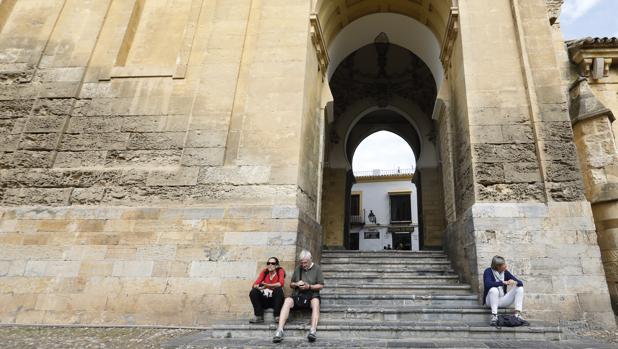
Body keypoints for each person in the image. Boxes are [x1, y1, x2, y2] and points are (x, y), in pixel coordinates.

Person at [273, 250, 324, 343]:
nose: (303, 265)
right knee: (287, 300)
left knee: (316, 302)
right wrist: (296, 284)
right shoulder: (298, 268)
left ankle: (312, 330)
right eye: (302, 262)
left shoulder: (317, 268)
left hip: (311, 296)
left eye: (305, 262)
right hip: (298, 296)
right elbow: (291, 284)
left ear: (310, 260)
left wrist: (309, 286)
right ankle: (279, 330)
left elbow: (321, 285)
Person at [483, 255, 525, 326]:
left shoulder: (505, 272)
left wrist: (515, 282)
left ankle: (517, 314)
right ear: (498, 266)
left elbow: (521, 283)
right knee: (494, 290)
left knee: (520, 288)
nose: (506, 266)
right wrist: (502, 282)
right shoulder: (488, 271)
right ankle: (494, 315)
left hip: (502, 300)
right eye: (503, 265)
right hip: (490, 300)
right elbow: (487, 284)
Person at [249, 257, 285, 323]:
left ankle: (277, 316)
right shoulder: (265, 272)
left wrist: (267, 285)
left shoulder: (280, 271)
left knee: (278, 290)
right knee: (253, 291)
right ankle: (258, 316)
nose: (270, 265)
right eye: (268, 263)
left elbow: (281, 283)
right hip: (265, 299)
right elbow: (254, 284)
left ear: (277, 265)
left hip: (275, 300)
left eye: (273, 263)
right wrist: (259, 287)